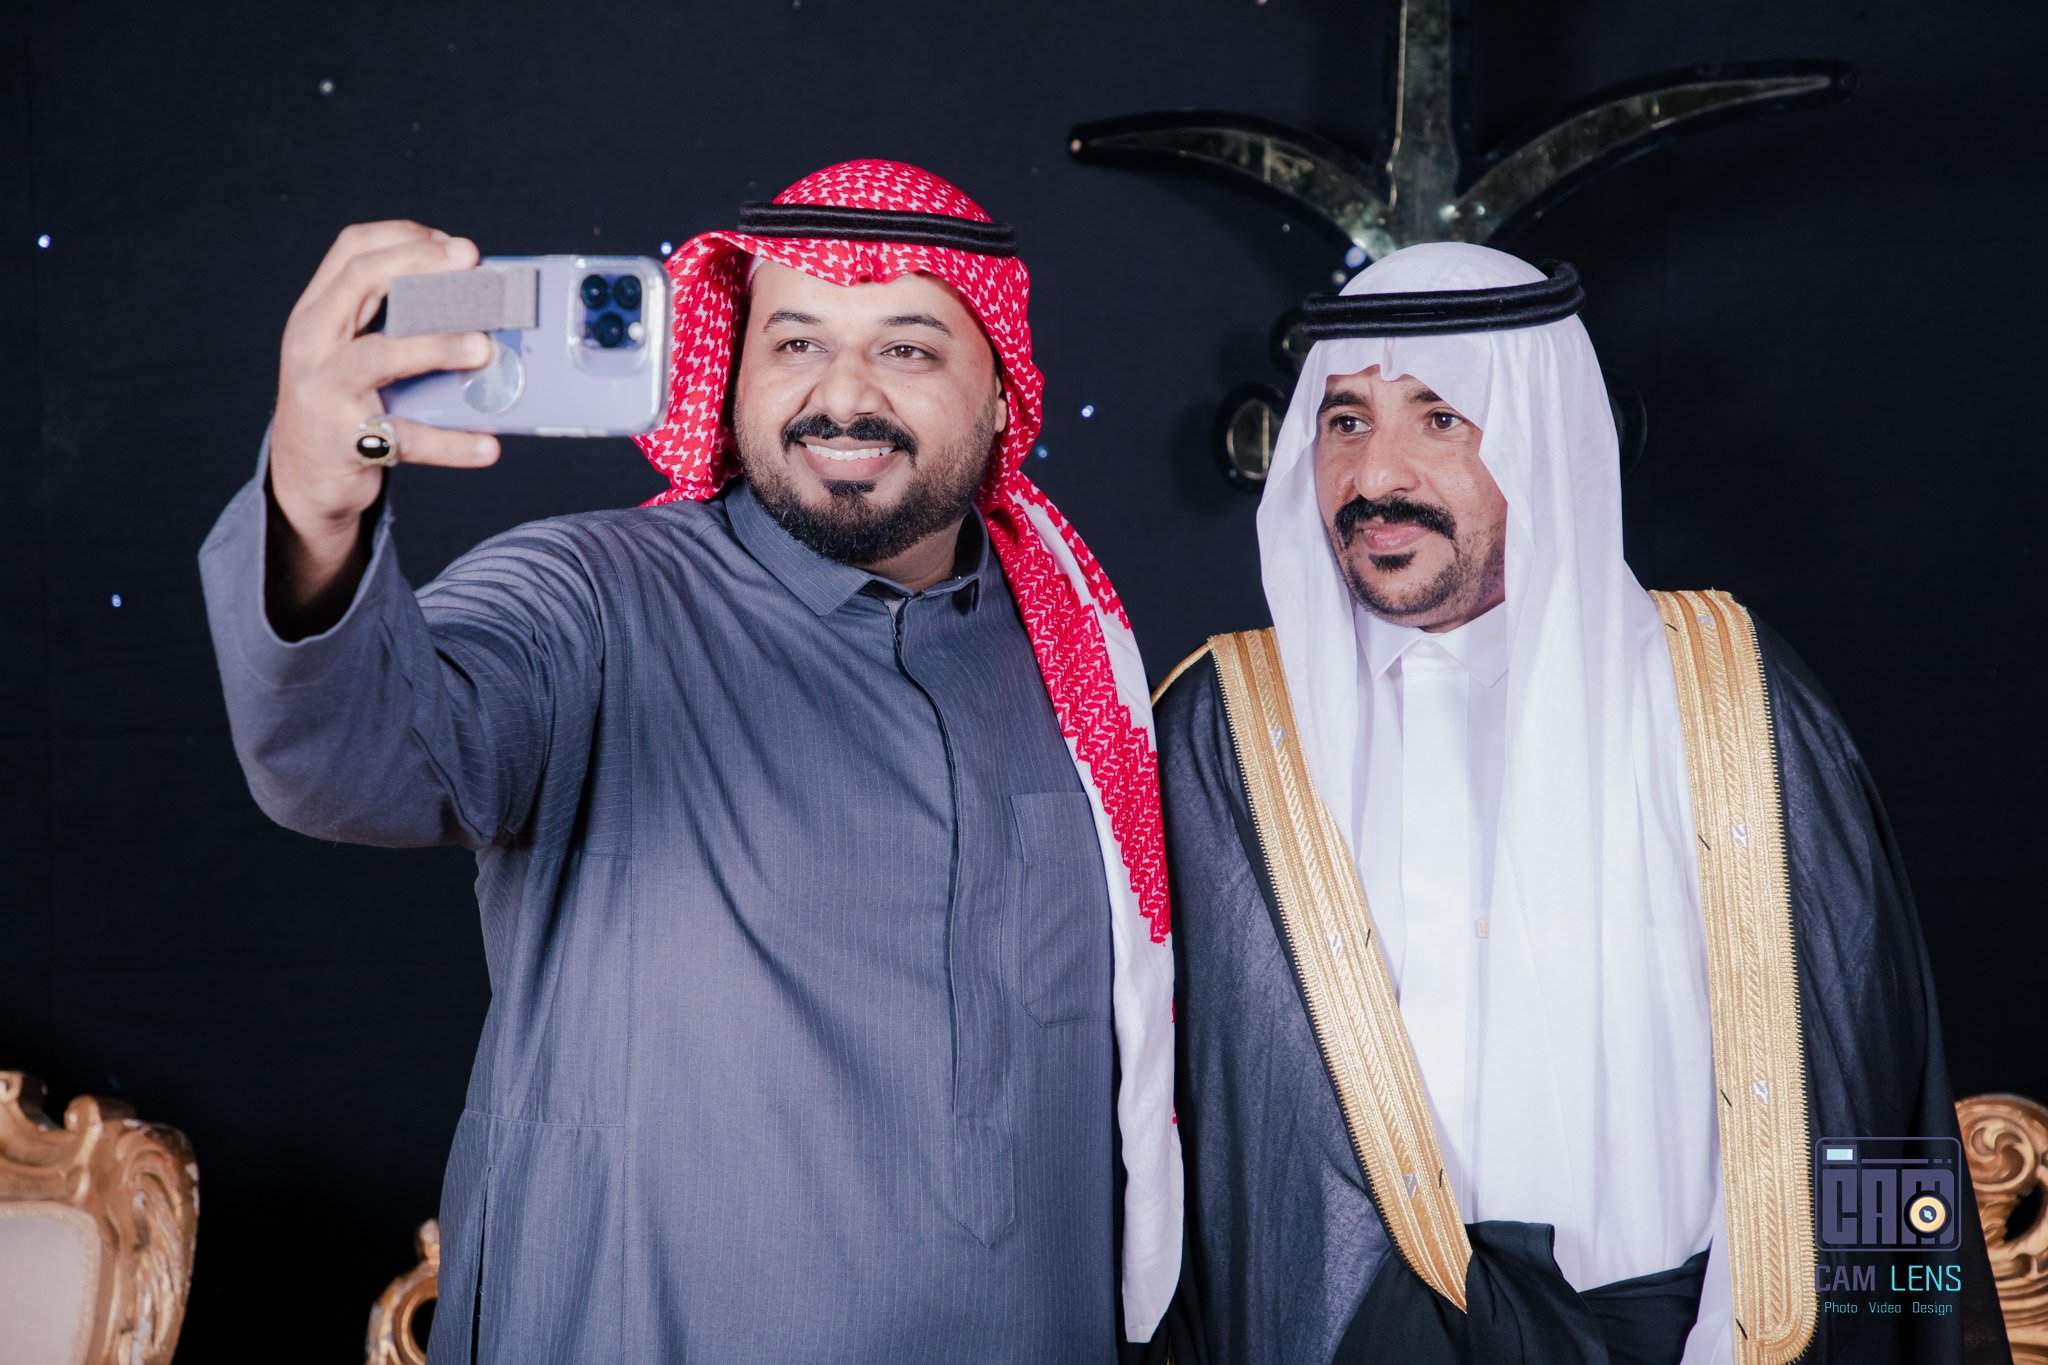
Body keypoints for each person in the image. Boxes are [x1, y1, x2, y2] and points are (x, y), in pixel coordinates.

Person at [199, 160, 1180, 1363]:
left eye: (908, 349)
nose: (842, 395)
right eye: (795, 342)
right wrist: (311, 508)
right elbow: (351, 759)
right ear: (731, 373)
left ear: (1000, 397)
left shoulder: (1072, 658)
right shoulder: (588, 598)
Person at [1152, 243, 2007, 1364]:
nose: (1373, 475)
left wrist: (1868, 1326)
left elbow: (1871, 1068)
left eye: (1439, 419)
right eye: (1345, 421)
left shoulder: (1728, 696)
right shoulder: (1227, 731)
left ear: (1540, 438)